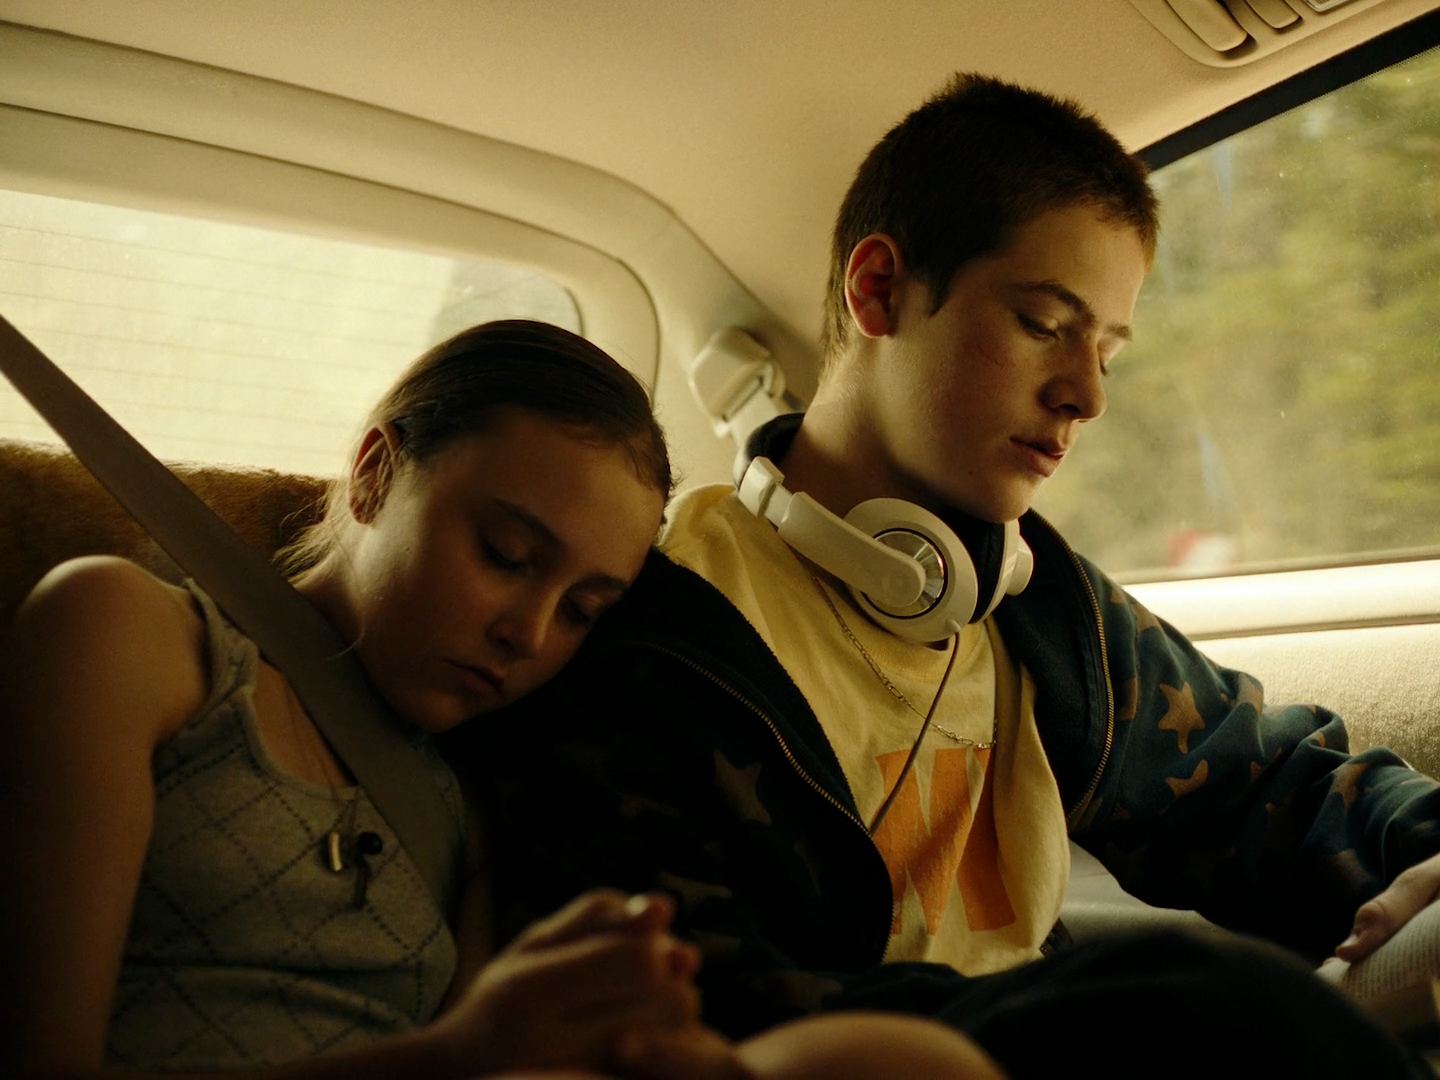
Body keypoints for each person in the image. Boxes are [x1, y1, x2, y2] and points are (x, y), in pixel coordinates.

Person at [450, 79, 1440, 1077]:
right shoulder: (656, 646)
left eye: (1108, 349)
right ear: (877, 290)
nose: (1085, 393)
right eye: (1043, 323)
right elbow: (701, 1016)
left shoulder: (1035, 602)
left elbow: (1267, 785)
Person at [0, 319, 1004, 1080]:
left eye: (583, 609)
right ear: (376, 473)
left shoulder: (474, 788)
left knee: (909, 1060)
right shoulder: (132, 637)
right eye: (506, 556)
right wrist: (461, 1052)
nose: (528, 635)